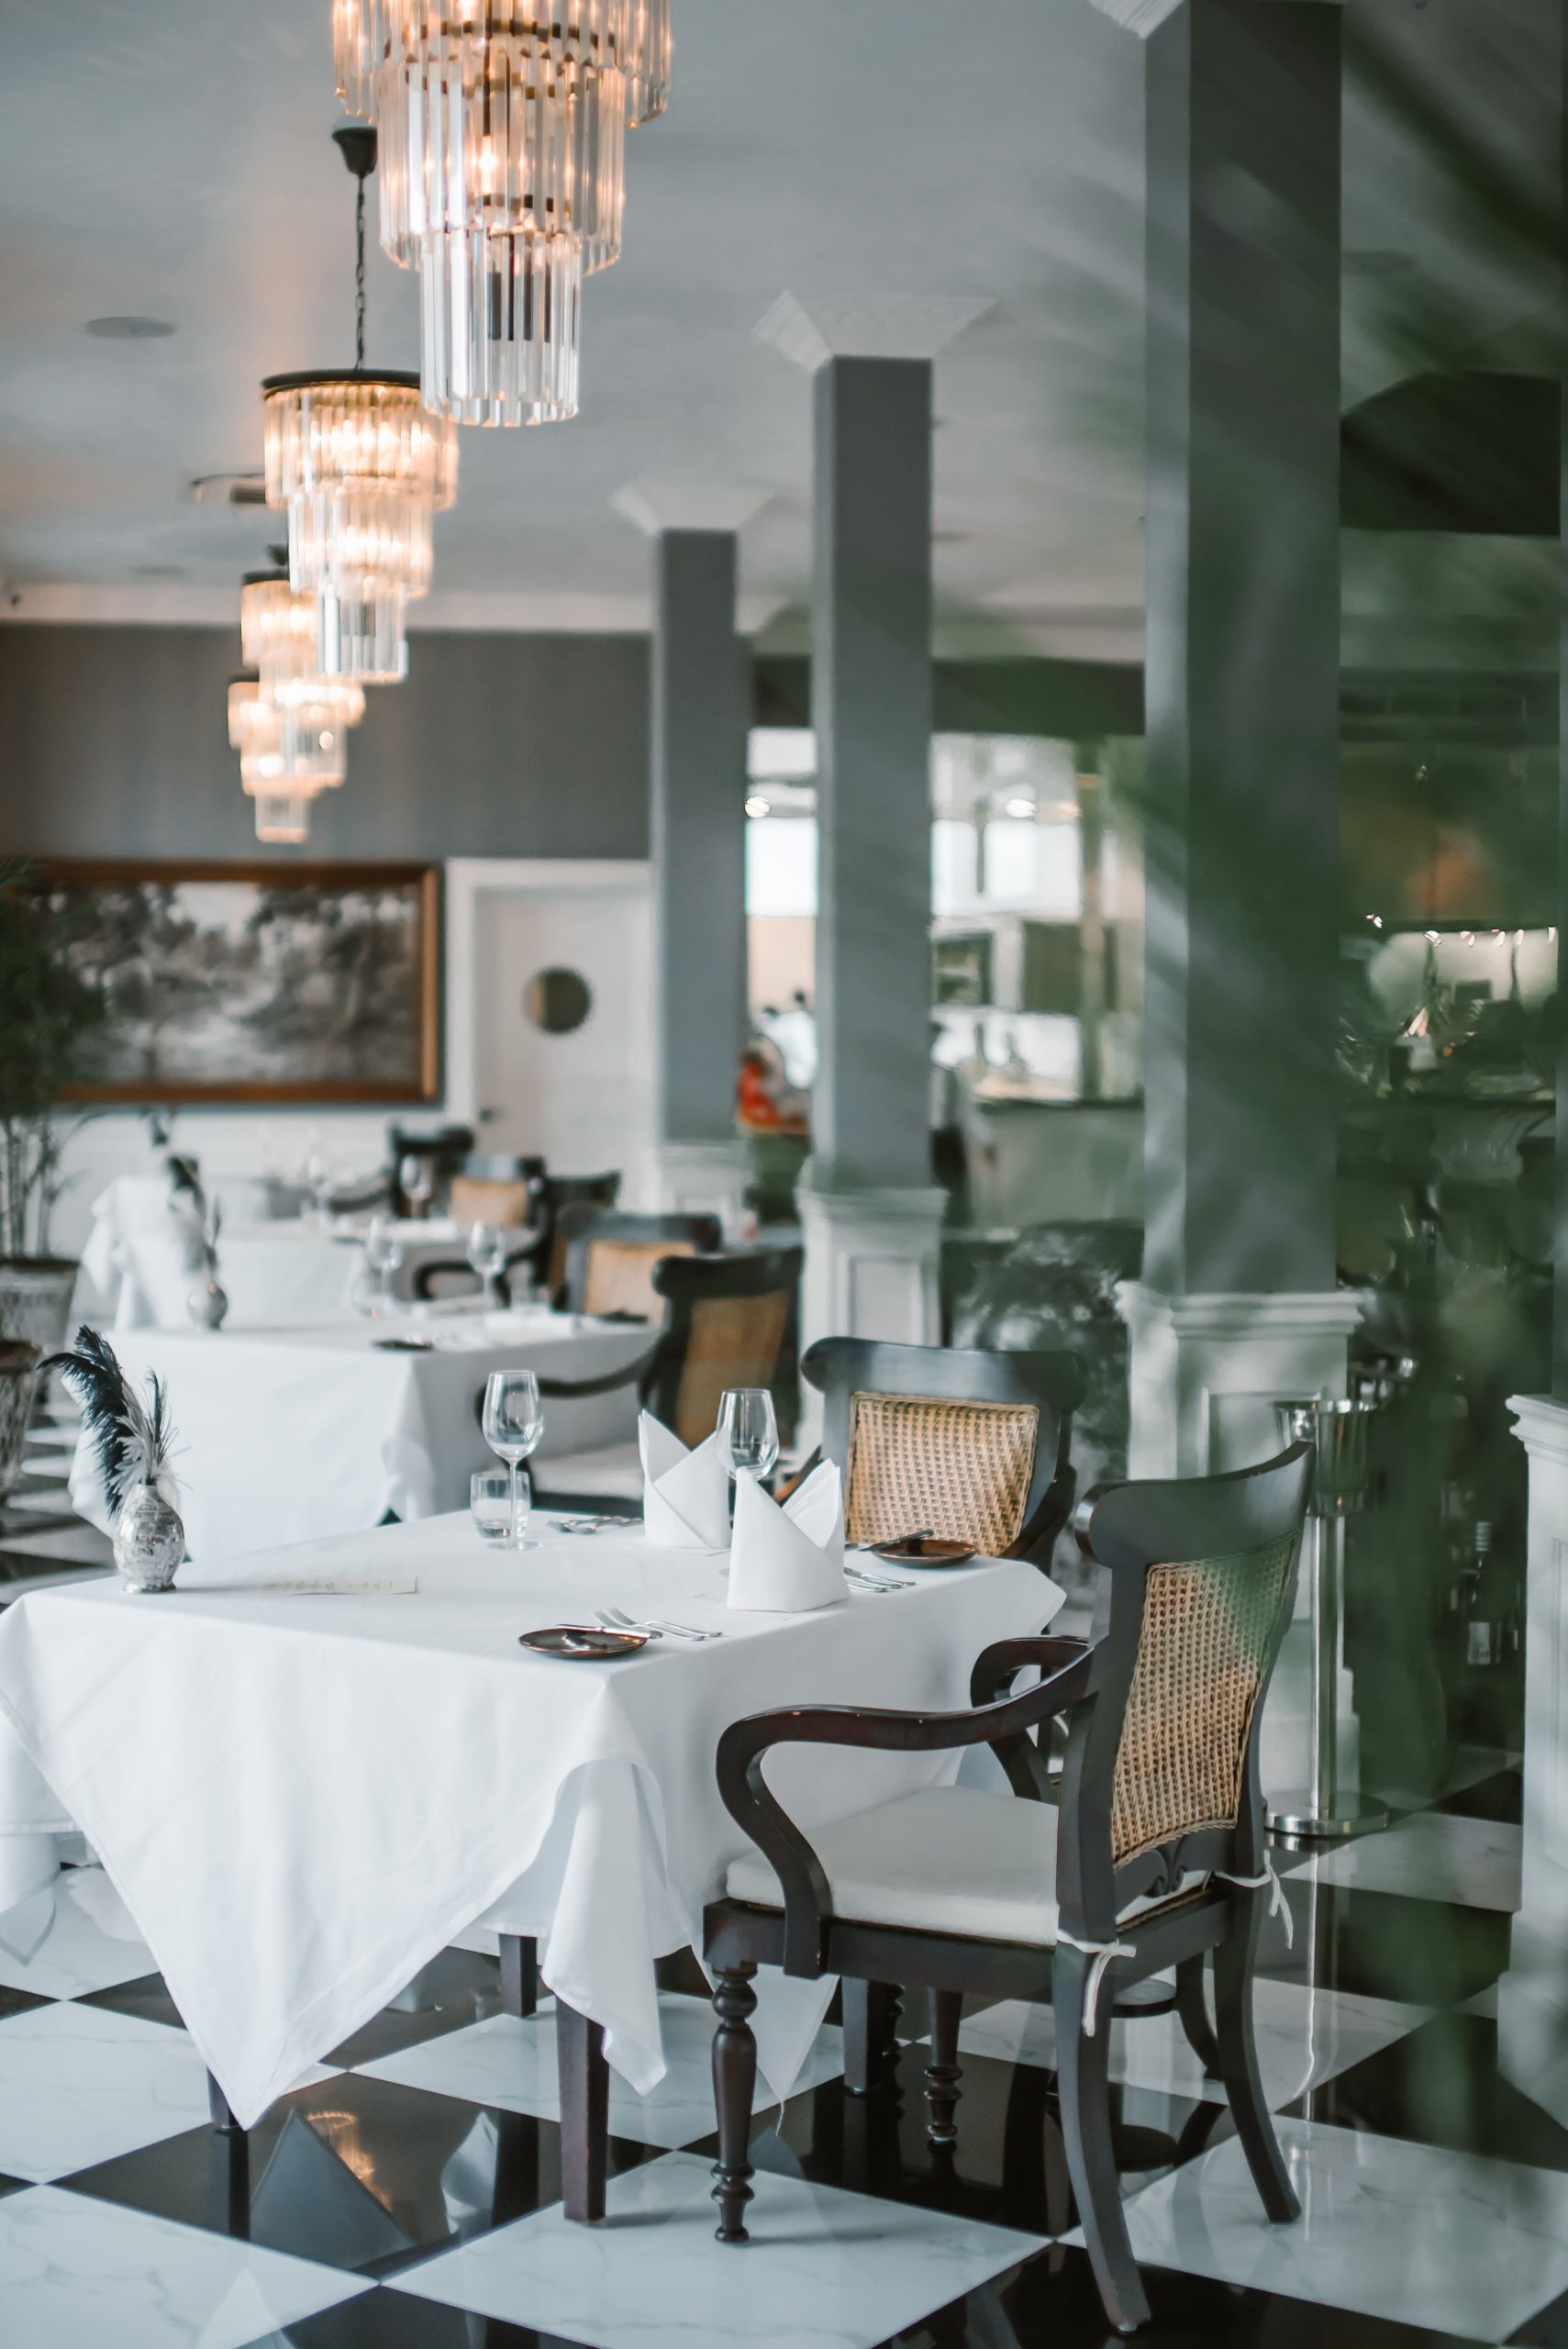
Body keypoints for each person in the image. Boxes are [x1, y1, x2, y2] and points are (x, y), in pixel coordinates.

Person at [929, 1020, 969, 1224]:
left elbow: (965, 1110)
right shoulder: (904, 1076)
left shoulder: (947, 1075)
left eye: (935, 1038)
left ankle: (954, 1227)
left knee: (952, 1189)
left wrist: (986, 1140)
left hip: (947, 1139)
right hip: (919, 1138)